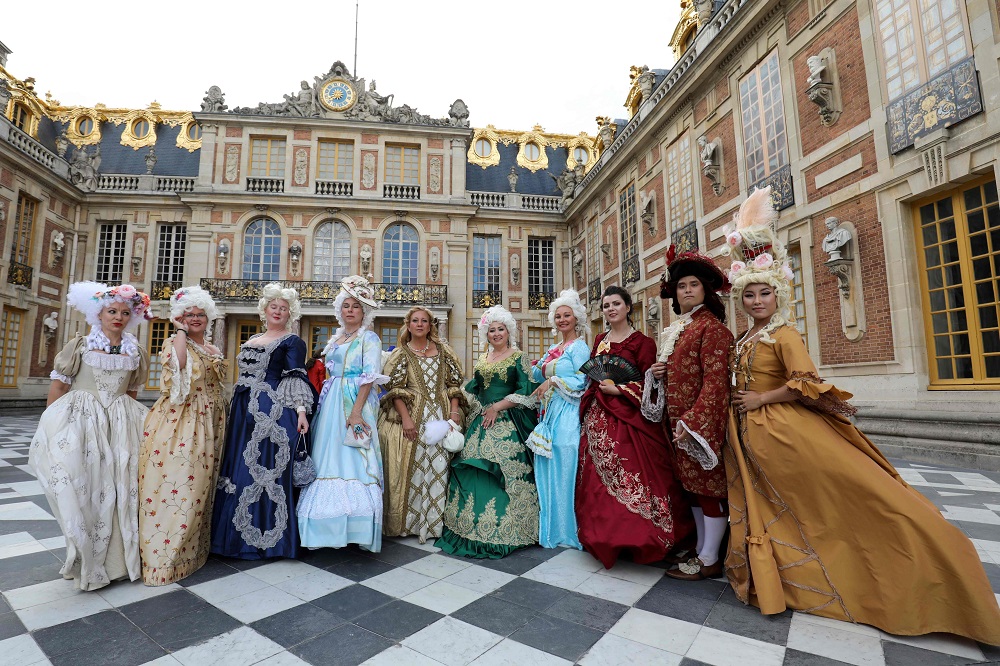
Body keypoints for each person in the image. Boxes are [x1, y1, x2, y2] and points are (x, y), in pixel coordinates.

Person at [724, 187, 1000, 644]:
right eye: (749, 294)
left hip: (787, 434)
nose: (756, 301)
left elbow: (806, 382)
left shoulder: (784, 334)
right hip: (755, 440)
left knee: (843, 502)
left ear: (778, 296)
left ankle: (935, 567)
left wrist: (761, 401)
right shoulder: (748, 336)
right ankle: (790, 579)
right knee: (791, 511)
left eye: (764, 294)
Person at [29, 282, 151, 590]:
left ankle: (118, 564)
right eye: (112, 311)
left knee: (122, 489)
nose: (118, 317)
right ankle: (87, 561)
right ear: (99, 313)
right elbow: (58, 388)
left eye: (125, 312)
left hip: (122, 426)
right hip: (83, 423)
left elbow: (132, 391)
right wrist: (52, 426)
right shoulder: (79, 346)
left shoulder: (134, 350)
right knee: (85, 489)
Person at [575, 286, 692, 569]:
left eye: (616, 304)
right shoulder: (600, 340)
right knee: (597, 482)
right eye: (606, 306)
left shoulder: (643, 342)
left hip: (629, 418)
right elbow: (594, 374)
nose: (611, 309)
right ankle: (605, 537)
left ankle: (643, 538)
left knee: (637, 472)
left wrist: (620, 390)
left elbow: (651, 385)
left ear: (629, 307)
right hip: (598, 419)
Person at [647, 248, 734, 581]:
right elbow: (683, 372)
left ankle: (711, 557)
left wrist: (694, 421)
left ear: (705, 290)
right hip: (679, 424)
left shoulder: (711, 329)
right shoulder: (681, 328)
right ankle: (702, 549)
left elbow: (716, 381)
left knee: (709, 489)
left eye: (693, 284)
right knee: (693, 489)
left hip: (699, 426)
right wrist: (660, 372)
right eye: (681, 285)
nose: (686, 290)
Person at [210, 283, 315, 560]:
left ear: (289, 313)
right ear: (265, 310)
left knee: (262, 470)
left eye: (284, 308)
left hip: (271, 412)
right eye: (274, 307)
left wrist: (302, 412)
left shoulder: (292, 341)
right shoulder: (252, 339)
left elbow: (296, 378)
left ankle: (266, 540)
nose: (278, 311)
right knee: (238, 467)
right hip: (243, 411)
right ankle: (230, 540)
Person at [139, 286, 227, 585]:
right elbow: (176, 368)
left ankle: (196, 550)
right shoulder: (175, 344)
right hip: (183, 421)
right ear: (180, 317)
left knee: (204, 485)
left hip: (212, 420)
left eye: (200, 314)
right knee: (182, 483)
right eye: (189, 314)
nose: (195, 319)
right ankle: (167, 559)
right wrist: (178, 330)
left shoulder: (213, 349)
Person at [437, 306, 539, 558]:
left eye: (500, 329)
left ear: (508, 331)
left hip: (506, 422)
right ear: (487, 333)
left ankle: (508, 530)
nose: (496, 334)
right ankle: (467, 528)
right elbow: (473, 390)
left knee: (504, 473)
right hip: (480, 421)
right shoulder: (483, 358)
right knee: (472, 469)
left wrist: (497, 407)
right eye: (491, 330)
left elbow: (526, 392)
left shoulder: (519, 357)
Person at [297, 276, 387, 551]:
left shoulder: (369, 338)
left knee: (354, 458)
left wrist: (357, 412)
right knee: (327, 457)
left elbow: (369, 377)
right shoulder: (336, 339)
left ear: (363, 312)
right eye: (346, 305)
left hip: (354, 401)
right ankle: (324, 528)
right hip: (331, 402)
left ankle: (355, 528)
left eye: (356, 306)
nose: (350, 310)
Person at [378, 307, 466, 543]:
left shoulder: (445, 352)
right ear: (408, 324)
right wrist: (406, 418)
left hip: (441, 413)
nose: (419, 324)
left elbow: (453, 384)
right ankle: (412, 524)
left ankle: (435, 523)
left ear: (430, 325)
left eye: (424, 321)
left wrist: (454, 410)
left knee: (439, 466)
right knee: (415, 467)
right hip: (413, 415)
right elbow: (396, 390)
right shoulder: (401, 354)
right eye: (415, 321)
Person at [527, 290, 589, 550]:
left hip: (570, 411)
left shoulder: (580, 347)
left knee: (566, 458)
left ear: (576, 319)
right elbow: (535, 373)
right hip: (550, 412)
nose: (562, 319)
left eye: (567, 315)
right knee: (549, 464)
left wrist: (553, 379)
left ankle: (570, 529)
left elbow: (584, 379)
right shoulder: (554, 349)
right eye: (558, 316)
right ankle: (552, 528)